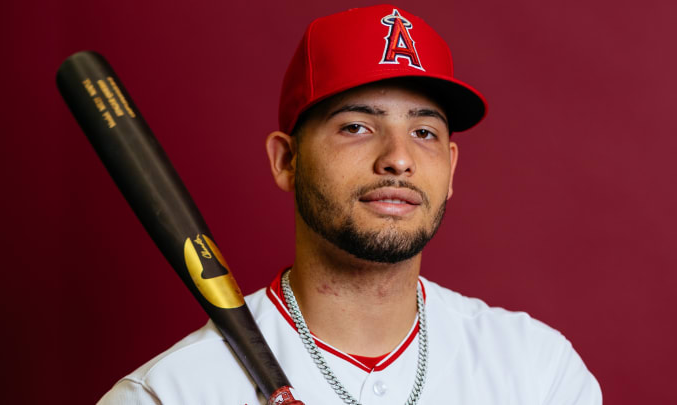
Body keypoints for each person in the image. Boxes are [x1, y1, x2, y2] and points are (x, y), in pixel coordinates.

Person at [98, 5, 601, 404]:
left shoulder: (537, 370)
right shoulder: (171, 393)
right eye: (357, 126)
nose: (399, 159)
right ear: (286, 160)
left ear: (451, 168)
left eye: (423, 132)